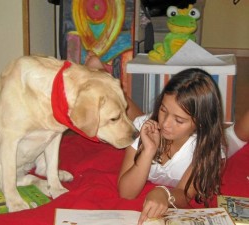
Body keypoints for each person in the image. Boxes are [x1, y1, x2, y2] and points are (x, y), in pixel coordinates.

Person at [85, 52, 249, 224]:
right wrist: (148, 152)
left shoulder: (206, 147)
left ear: (200, 122)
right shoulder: (149, 125)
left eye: (179, 120)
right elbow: (126, 192)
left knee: (237, 135)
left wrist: (165, 193)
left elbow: (185, 195)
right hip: (149, 125)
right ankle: (103, 77)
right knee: (135, 116)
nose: (166, 124)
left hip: (209, 142)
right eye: (163, 109)